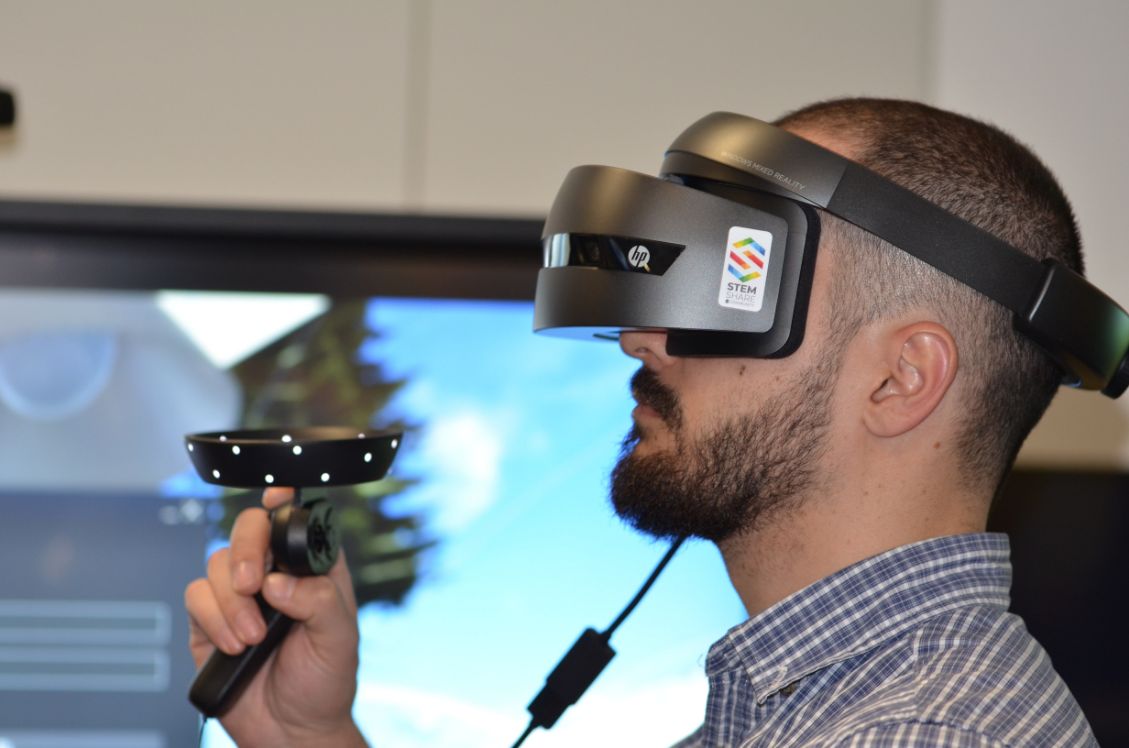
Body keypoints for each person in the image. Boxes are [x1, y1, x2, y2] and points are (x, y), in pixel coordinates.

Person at [185, 98, 1100, 746]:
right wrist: (308, 737)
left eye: (736, 284)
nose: (640, 338)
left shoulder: (913, 734)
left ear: (902, 379)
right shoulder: (797, 711)